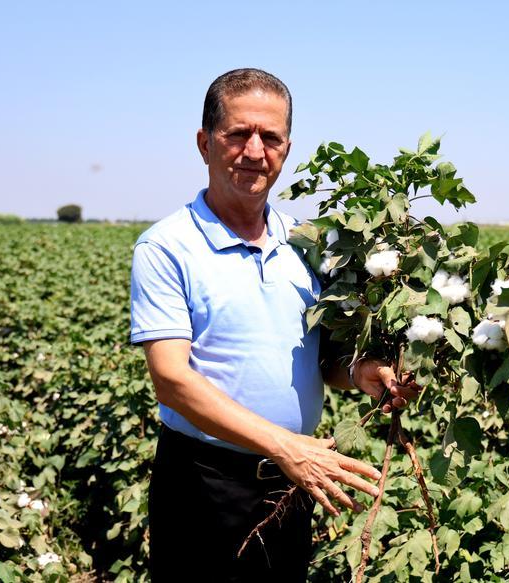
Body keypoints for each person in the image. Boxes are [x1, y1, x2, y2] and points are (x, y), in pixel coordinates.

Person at [129, 68, 419, 582]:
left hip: (292, 478)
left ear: (287, 148)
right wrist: (285, 446)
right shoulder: (167, 247)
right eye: (237, 134)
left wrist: (358, 375)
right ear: (204, 143)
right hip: (205, 481)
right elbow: (171, 380)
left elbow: (320, 359)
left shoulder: (306, 245)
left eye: (271, 137)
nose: (255, 151)